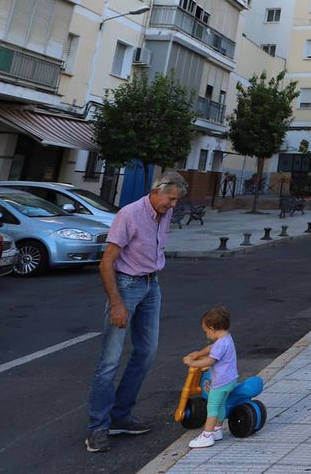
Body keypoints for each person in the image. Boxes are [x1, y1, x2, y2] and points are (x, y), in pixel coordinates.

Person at [85, 171, 187, 453]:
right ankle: (97, 427)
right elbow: (106, 263)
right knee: (109, 360)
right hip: (126, 286)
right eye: (171, 199)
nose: (173, 206)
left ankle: (120, 416)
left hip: (151, 284)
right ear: (157, 191)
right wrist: (117, 303)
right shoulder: (129, 215)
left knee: (147, 352)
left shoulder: (163, 213)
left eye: (176, 201)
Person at [182, 306, 238, 449]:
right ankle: (217, 430)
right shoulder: (226, 338)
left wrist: (193, 362)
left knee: (212, 407)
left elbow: (210, 360)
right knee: (221, 405)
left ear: (212, 329)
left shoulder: (220, 345)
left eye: (206, 332)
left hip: (220, 383)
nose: (206, 335)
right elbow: (210, 348)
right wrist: (198, 353)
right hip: (230, 380)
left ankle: (207, 436)